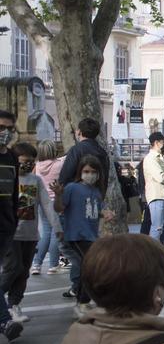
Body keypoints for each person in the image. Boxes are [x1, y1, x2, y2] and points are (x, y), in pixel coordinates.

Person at [0, 142, 58, 326]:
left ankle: (13, 305)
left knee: (23, 272)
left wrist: (58, 227)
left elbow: (47, 204)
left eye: (31, 162)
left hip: (30, 234)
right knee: (13, 267)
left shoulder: (36, 180)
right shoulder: (9, 179)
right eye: (24, 161)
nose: (27, 165)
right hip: (12, 234)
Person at [51, 156, 111, 322]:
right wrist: (57, 195)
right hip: (77, 235)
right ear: (80, 172)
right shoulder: (72, 188)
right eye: (86, 171)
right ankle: (82, 302)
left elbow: (94, 211)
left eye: (93, 172)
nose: (89, 175)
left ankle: (84, 300)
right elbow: (60, 207)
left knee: (91, 267)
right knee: (90, 266)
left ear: (99, 174)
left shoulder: (96, 192)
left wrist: (104, 213)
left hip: (91, 235)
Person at [31, 140, 64, 276]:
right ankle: (53, 264)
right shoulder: (59, 164)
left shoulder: (37, 166)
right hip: (55, 202)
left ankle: (36, 264)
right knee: (56, 232)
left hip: (42, 202)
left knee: (46, 232)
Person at [58, 117, 111, 198]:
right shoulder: (103, 152)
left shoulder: (76, 150)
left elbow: (65, 176)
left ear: (79, 132)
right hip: (96, 196)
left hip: (77, 197)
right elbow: (105, 179)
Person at [142, 132, 164, 247]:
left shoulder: (160, 158)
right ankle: (152, 254)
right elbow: (161, 177)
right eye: (163, 142)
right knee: (157, 228)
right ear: (156, 143)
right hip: (157, 196)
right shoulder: (151, 158)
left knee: (160, 229)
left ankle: (156, 253)